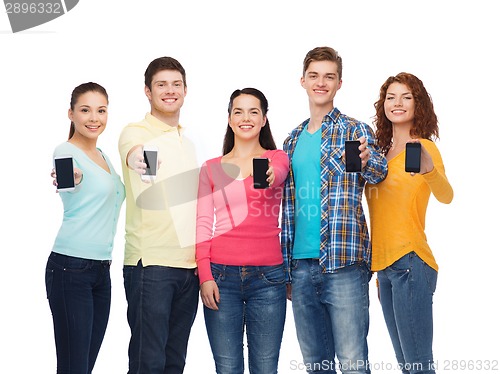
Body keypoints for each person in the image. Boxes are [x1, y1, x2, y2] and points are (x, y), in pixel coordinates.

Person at [281, 46, 388, 373]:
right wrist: (285, 266)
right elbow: (285, 207)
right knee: (317, 365)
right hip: (300, 267)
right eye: (314, 76)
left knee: (354, 363)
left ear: (339, 83)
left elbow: (379, 172)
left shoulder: (354, 130)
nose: (321, 82)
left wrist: (372, 161)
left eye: (329, 76)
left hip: (344, 263)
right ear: (302, 81)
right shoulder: (292, 140)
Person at [196, 88, 289, 374]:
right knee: (227, 368)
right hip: (221, 278)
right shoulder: (211, 168)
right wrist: (205, 275)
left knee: (265, 368)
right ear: (229, 118)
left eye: (253, 112)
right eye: (238, 111)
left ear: (263, 120)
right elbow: (201, 224)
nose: (245, 118)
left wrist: (272, 174)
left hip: (269, 279)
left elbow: (280, 172)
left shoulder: (276, 158)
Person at [365, 72, 453, 374]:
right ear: (383, 105)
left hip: (411, 262)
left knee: (418, 367)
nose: (397, 103)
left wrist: (430, 170)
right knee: (407, 367)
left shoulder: (425, 149)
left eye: (406, 97)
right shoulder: (378, 155)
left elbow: (447, 195)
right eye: (391, 97)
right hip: (386, 271)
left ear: (419, 104)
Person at [118, 56, 199, 374]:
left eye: (176, 84)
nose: (170, 90)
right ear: (147, 92)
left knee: (174, 361)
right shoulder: (135, 132)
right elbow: (136, 154)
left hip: (188, 268)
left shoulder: (187, 143)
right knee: (147, 362)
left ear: (185, 90)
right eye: (161, 85)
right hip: (150, 266)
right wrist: (140, 159)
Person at [46, 82, 125, 373]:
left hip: (101, 271)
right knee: (73, 368)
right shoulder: (64, 151)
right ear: (71, 114)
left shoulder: (104, 157)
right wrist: (72, 180)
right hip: (70, 269)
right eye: (85, 110)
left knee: (84, 366)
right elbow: (66, 181)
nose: (94, 118)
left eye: (101, 110)